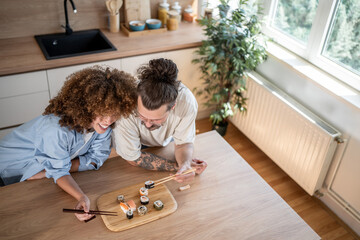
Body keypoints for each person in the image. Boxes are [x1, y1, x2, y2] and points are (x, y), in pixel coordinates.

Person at [0, 66, 137, 221]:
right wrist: (80, 195)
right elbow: (60, 172)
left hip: (31, 178)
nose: (109, 120)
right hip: (6, 170)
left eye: (115, 113)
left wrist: (50, 171)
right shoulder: (56, 129)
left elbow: (96, 160)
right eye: (103, 113)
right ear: (86, 107)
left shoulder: (103, 128)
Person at [112, 58, 207, 182]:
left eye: (155, 119)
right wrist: (176, 166)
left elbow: (183, 143)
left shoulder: (187, 103)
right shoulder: (125, 105)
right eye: (142, 116)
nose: (147, 124)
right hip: (129, 146)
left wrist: (185, 164)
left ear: (173, 107)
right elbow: (133, 158)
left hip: (164, 144)